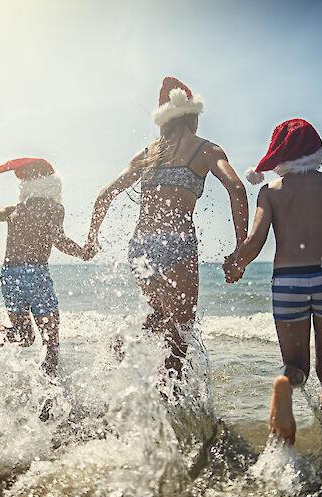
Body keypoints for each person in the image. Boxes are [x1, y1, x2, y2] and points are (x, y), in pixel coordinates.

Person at [85, 77, 248, 372]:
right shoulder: (206, 150)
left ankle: (120, 344)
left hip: (140, 250)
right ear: (192, 115)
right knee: (180, 333)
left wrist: (92, 239)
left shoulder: (148, 154)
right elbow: (237, 189)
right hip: (177, 244)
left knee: (160, 315)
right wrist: (241, 248)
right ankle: (169, 405)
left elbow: (105, 194)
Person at [223, 119, 322, 443]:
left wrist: (235, 265)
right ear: (316, 150)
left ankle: (286, 386)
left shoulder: (271, 192)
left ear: (280, 153)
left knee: (296, 366)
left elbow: (255, 241)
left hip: (289, 282)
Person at [0, 158, 90, 376]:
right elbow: (59, 240)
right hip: (36, 275)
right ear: (53, 185)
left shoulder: (12, 210)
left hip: (9, 276)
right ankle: (49, 398)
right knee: (50, 341)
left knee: (24, 335)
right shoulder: (54, 209)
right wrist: (83, 253)